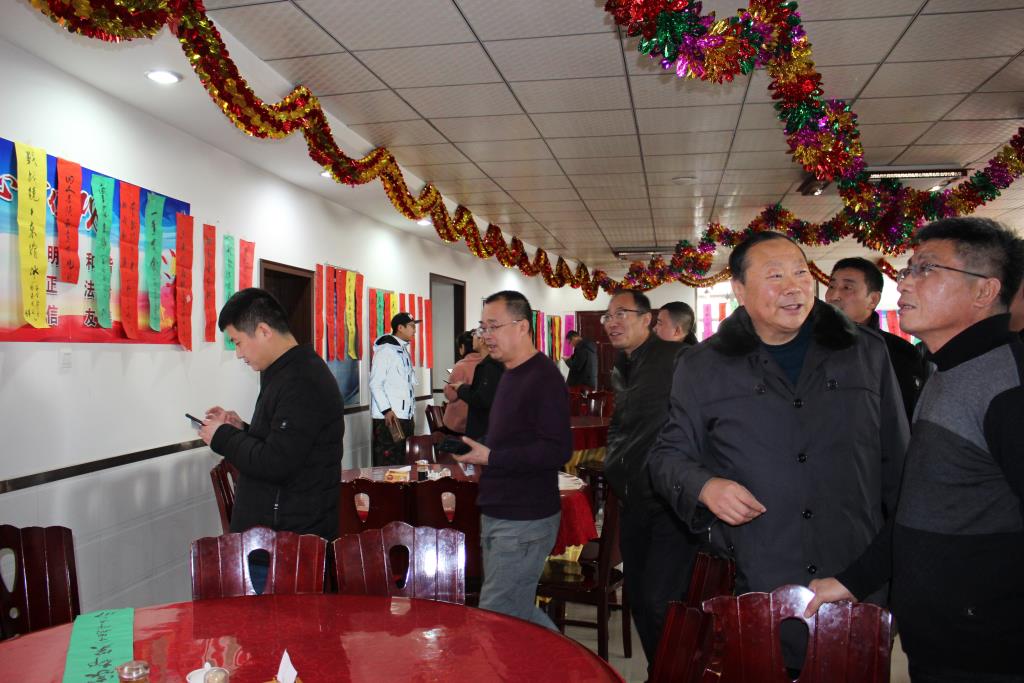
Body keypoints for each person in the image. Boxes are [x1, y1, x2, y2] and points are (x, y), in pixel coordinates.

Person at [647, 231, 909, 669]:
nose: (794, 287)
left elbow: (899, 467)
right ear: (739, 290)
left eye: (801, 273)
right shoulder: (702, 365)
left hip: (854, 574)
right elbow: (666, 456)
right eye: (774, 276)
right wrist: (705, 486)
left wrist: (889, 570)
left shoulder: (865, 352)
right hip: (759, 575)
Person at [807, 217, 1024, 682]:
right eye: (908, 269)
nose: (904, 282)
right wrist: (852, 581)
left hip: (992, 651)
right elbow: (921, 506)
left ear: (984, 291)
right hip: (941, 642)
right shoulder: (947, 370)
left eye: (926, 269)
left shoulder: (1008, 386)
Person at [453, 290, 572, 629]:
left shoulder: (543, 378)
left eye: (494, 326)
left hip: (524, 516)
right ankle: (567, 659)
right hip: (499, 509)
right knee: (513, 612)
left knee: (498, 615)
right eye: (483, 327)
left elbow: (557, 449)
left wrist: (493, 456)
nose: (486, 336)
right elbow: (513, 438)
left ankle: (567, 659)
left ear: (522, 327)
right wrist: (481, 450)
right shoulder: (508, 373)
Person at [602, 289, 701, 669]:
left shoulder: (677, 358)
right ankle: (659, 672)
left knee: (662, 600)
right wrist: (613, 462)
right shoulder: (622, 365)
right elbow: (622, 424)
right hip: (632, 499)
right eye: (608, 316)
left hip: (670, 501)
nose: (612, 323)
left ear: (647, 319)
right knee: (639, 597)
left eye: (621, 314)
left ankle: (678, 674)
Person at [199, 288, 344, 542]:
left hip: (291, 543)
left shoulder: (302, 380)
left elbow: (276, 462)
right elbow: (286, 443)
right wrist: (241, 429)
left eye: (238, 342)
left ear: (264, 331)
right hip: (277, 537)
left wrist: (223, 436)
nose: (239, 354)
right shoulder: (285, 372)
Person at [826, 257, 927, 423]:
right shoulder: (810, 345)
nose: (833, 296)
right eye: (831, 286)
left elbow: (902, 418)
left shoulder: (898, 352)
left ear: (872, 300)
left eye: (847, 288)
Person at [369, 312, 419, 466]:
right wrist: (387, 410)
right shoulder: (385, 351)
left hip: (404, 416)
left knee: (404, 462)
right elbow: (375, 384)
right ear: (400, 328)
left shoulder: (402, 350)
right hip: (390, 418)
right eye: (411, 326)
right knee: (388, 464)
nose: (414, 330)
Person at [452, 333, 504, 441]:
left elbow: (481, 399)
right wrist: (464, 387)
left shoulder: (490, 365)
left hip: (483, 430)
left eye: (475, 334)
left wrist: (461, 389)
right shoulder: (489, 363)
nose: (472, 337)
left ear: (482, 340)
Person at [442, 330, 482, 434]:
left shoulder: (461, 366)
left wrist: (447, 387)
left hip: (458, 424)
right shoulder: (487, 363)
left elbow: (451, 395)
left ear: (462, 347)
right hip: (480, 425)